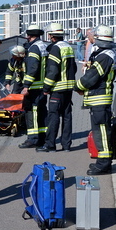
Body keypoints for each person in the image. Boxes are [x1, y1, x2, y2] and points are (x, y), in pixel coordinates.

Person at [75, 24, 116, 174]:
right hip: (98, 99)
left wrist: (78, 86)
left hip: (100, 99)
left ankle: (104, 163)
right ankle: (102, 161)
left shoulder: (104, 56)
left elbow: (92, 77)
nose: (90, 38)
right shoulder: (105, 54)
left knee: (102, 132)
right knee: (100, 130)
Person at [39, 21, 77, 153]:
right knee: (67, 116)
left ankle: (50, 145)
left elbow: (53, 71)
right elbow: (74, 67)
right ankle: (66, 145)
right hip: (69, 88)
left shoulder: (55, 48)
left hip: (57, 88)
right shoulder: (68, 47)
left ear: (52, 36)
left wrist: (46, 88)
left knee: (53, 116)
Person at [17, 25, 48, 148]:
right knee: (41, 112)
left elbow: (33, 68)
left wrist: (26, 86)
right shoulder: (43, 45)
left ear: (29, 36)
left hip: (34, 87)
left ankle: (33, 139)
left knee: (32, 113)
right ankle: (42, 138)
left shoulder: (34, 48)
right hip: (42, 85)